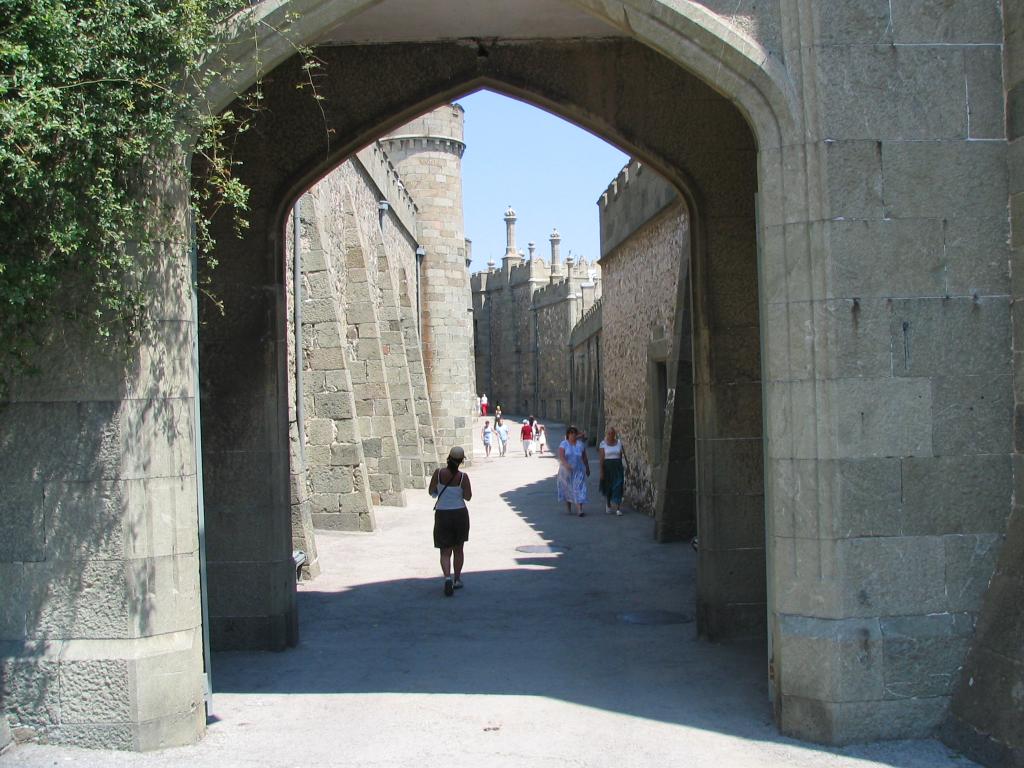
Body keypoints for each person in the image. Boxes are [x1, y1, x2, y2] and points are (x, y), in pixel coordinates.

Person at [429, 446, 473, 596]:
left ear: (448, 458)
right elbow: (468, 496)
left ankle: (447, 578)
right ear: (461, 461)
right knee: (458, 550)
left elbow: (431, 491)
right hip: (460, 513)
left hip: (442, 514)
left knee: (445, 551)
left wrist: (440, 490)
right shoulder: (463, 477)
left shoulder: (438, 473)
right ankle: (457, 579)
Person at [557, 425, 590, 516]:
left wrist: (587, 468)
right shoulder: (564, 444)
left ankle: (580, 510)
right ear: (567, 435)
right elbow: (561, 456)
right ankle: (569, 507)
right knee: (567, 489)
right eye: (570, 433)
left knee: (579, 488)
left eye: (574, 433)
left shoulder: (580, 444)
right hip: (566, 471)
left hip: (578, 470)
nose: (572, 434)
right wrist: (566, 464)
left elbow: (584, 457)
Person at [599, 427, 626, 516]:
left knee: (618, 486)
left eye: (612, 433)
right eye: (609, 433)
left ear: (615, 434)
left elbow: (620, 456)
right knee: (609, 486)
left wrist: (621, 466)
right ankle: (608, 503)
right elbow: (601, 459)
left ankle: (618, 508)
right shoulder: (603, 444)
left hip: (617, 467)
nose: (611, 435)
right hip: (607, 467)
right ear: (607, 434)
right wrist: (601, 471)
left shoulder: (619, 443)